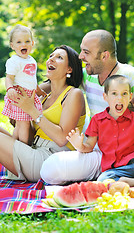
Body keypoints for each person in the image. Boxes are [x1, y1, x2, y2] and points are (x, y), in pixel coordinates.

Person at [40, 29, 134, 185]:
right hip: (95, 151)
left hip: (127, 155)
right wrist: (30, 92)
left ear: (104, 56)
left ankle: (131, 176)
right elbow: (61, 79)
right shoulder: (88, 75)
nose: (80, 57)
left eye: (86, 52)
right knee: (50, 168)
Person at [0, 45, 86, 182]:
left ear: (69, 69)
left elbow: (62, 138)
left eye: (59, 57)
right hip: (33, 149)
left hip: (51, 159)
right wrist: (20, 116)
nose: (51, 59)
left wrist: (32, 111)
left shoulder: (74, 94)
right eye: (51, 56)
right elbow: (32, 133)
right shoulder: (43, 97)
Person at [66, 75, 134, 187]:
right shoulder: (97, 120)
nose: (119, 98)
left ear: (130, 97)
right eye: (114, 93)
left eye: (124, 94)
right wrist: (79, 146)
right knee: (103, 181)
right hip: (117, 169)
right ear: (105, 97)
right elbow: (89, 147)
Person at [2, 24, 45, 144]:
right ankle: (24, 148)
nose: (23, 44)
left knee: (21, 124)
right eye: (19, 42)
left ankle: (13, 146)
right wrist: (10, 88)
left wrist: (38, 90)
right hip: (19, 95)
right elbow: (9, 78)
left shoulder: (31, 60)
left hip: (30, 94)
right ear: (12, 46)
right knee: (24, 123)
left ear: (32, 43)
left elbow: (30, 79)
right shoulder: (14, 61)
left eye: (27, 41)